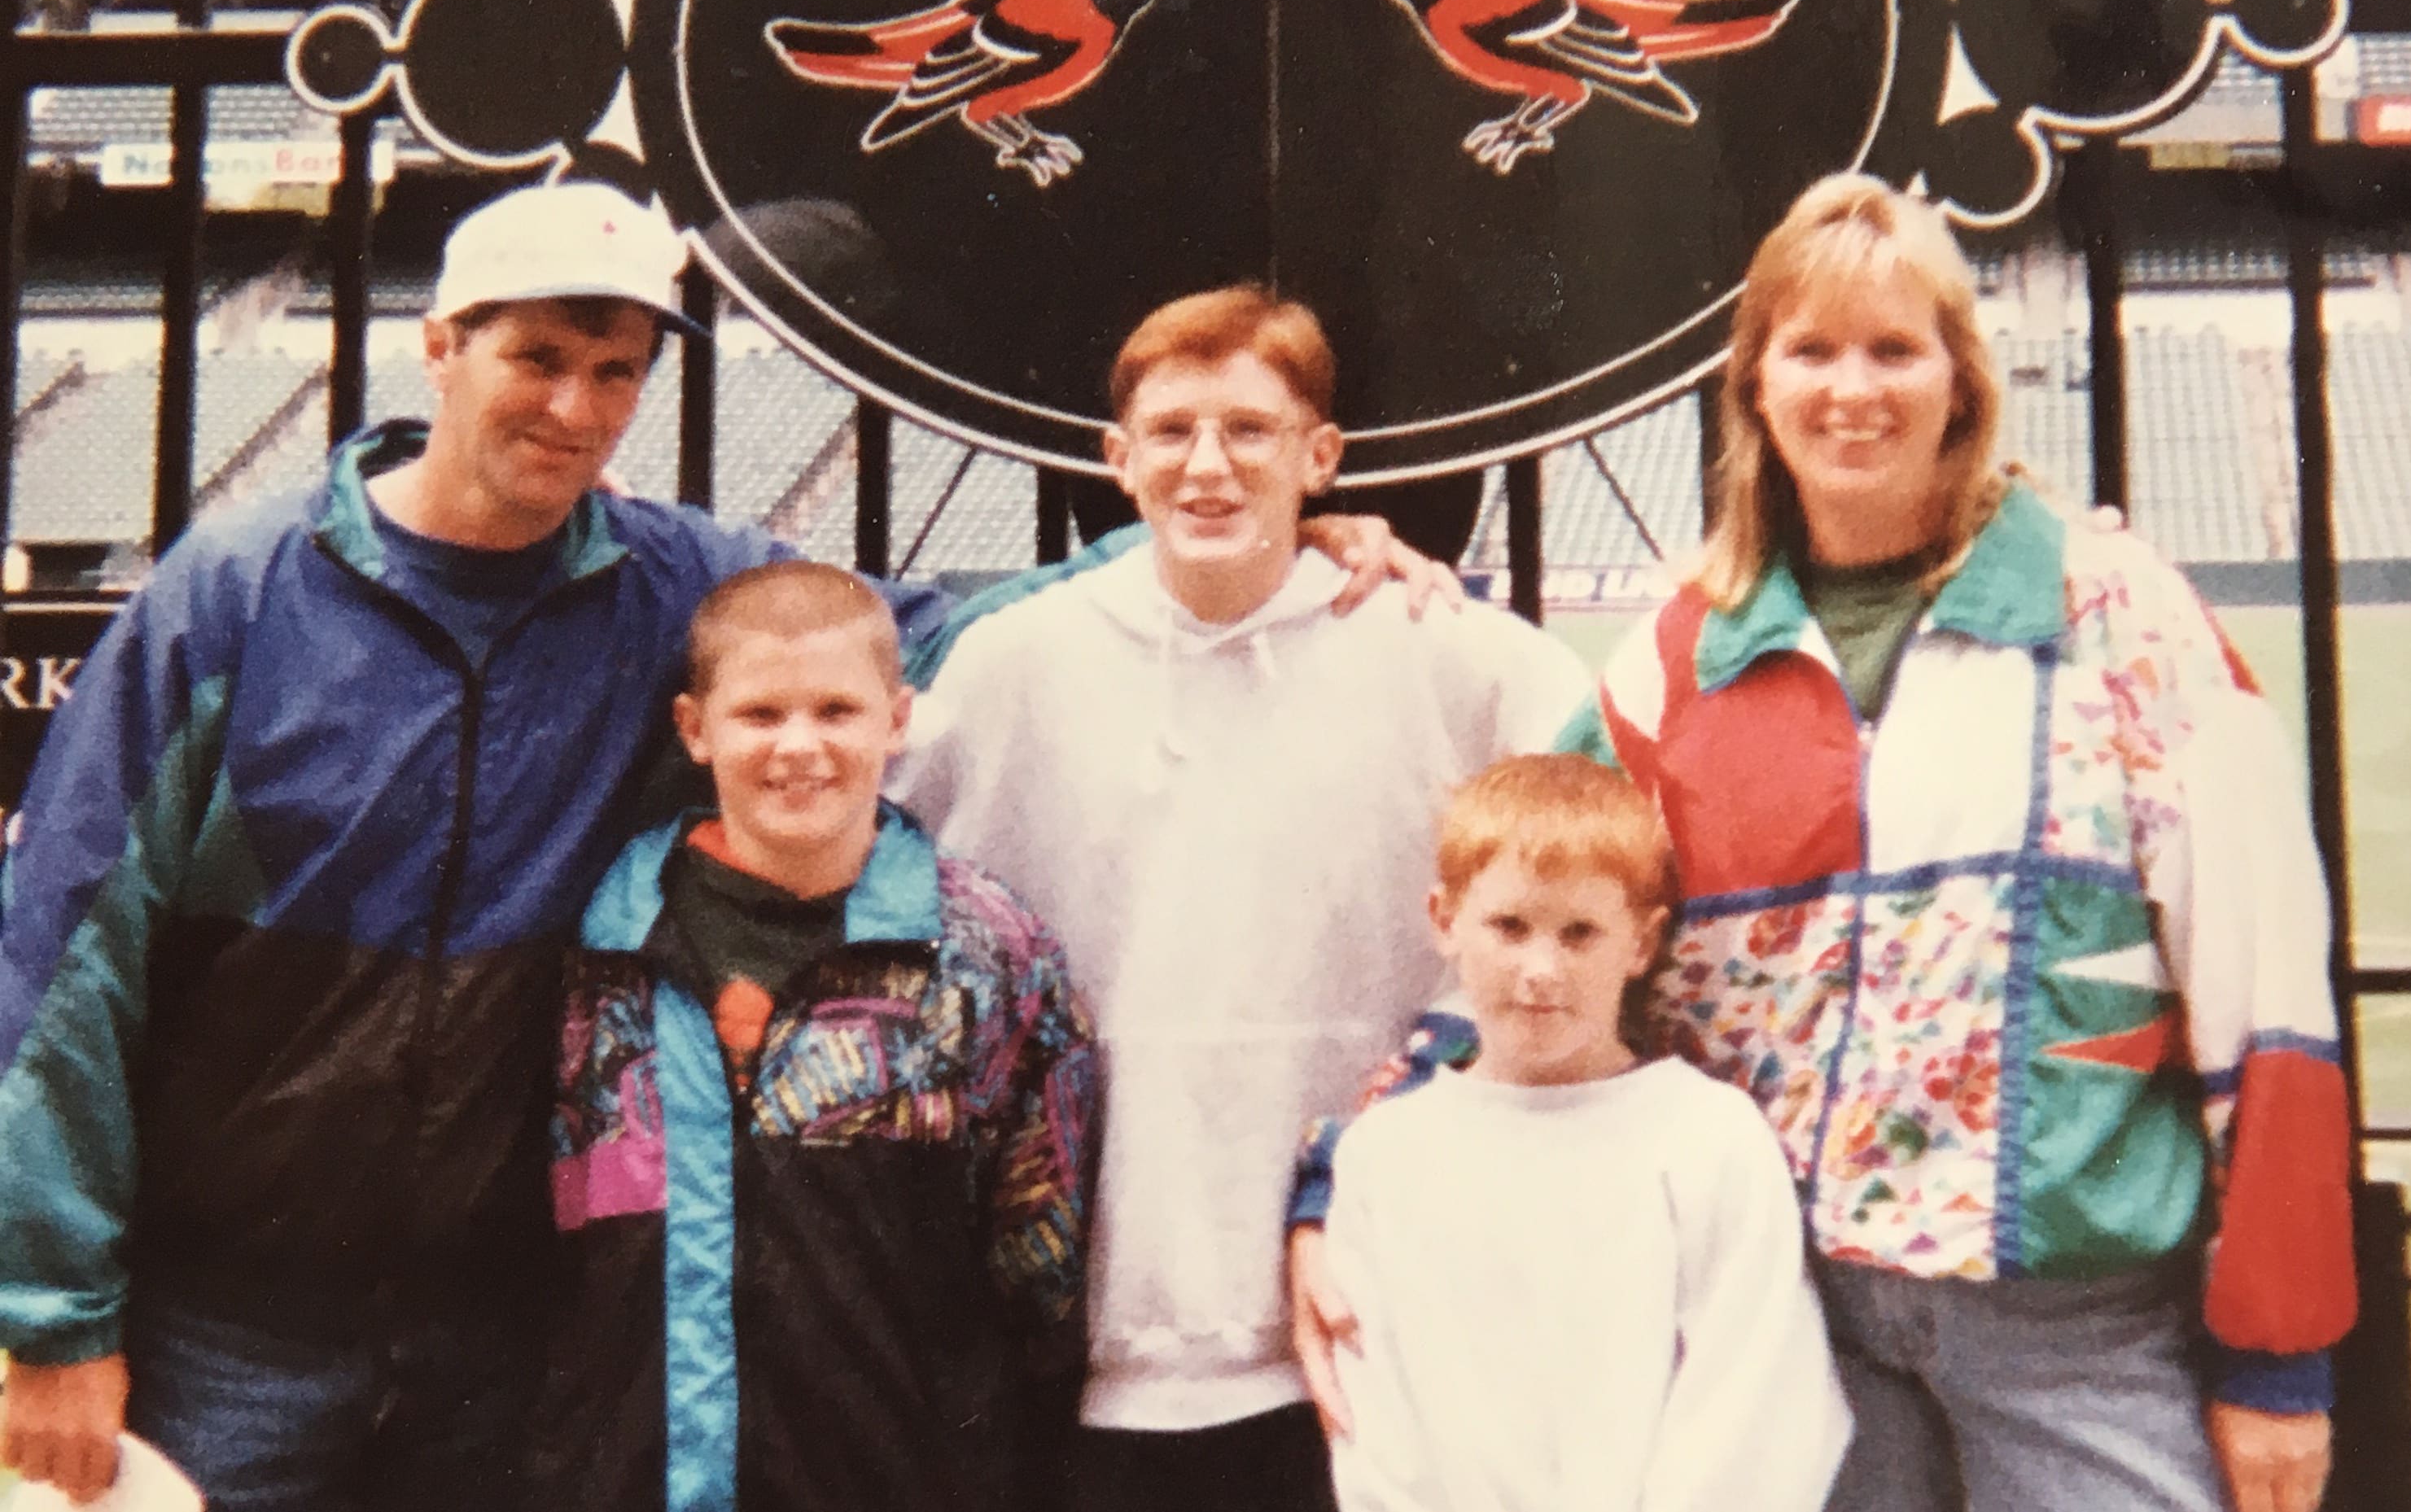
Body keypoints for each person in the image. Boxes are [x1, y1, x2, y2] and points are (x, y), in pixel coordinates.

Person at [0, 180, 1433, 1510]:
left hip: (500, 1323)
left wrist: (1235, 535)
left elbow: (923, 630)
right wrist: (50, 1315)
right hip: (240, 1316)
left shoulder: (667, 578)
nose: (577, 405)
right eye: (539, 356)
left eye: (616, 368)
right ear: (439, 347)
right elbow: (70, 955)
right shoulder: (236, 595)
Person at [1293, 174, 2356, 1512]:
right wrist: (1340, 1174)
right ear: (1752, 385)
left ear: (1959, 379)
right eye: (1808, 350)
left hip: (2070, 1326)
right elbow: (1531, 913)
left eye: (1892, 348)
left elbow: (2268, 1011)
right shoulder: (1673, 661)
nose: (1850, 388)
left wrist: (2277, 1360)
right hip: (1796, 1322)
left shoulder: (2122, 624)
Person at [891, 285, 1592, 1512]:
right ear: (1117, 459)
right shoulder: (1015, 661)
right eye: (1171, 433)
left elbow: (1604, 813)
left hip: (1363, 1297)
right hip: (1101, 1311)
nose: (1208, 465)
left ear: (1322, 458)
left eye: (1250, 431)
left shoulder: (1441, 648)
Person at [527, 562, 1096, 1512]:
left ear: (898, 720)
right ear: (694, 730)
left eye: (837, 710)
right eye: (760, 715)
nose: (800, 746)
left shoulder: (987, 955)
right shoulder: (602, 945)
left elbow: (1040, 1261)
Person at [1321, 753, 1848, 1512]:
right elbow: (1380, 1423)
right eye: (1509, 926)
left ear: (1640, 941)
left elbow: (1757, 1397)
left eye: (1579, 933)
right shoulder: (1386, 1156)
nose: (1541, 968)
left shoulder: (1705, 1136)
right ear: (1445, 920)